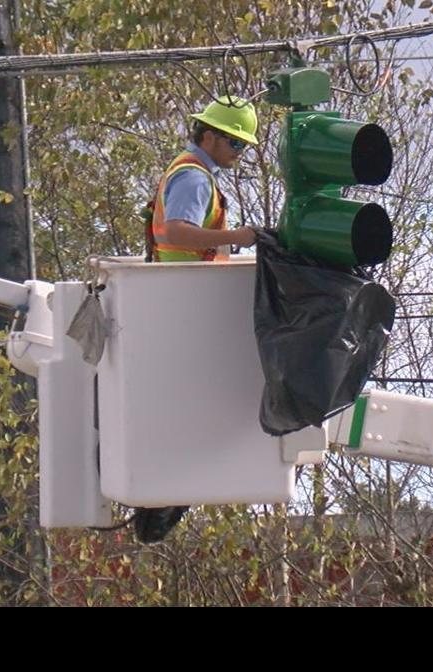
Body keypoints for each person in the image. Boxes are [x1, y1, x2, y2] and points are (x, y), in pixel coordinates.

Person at [134, 96, 260, 543]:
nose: (238, 152)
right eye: (233, 142)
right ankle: (168, 486)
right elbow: (176, 232)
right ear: (208, 135)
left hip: (179, 295)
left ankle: (168, 485)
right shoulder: (193, 175)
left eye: (242, 146)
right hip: (184, 296)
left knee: (187, 399)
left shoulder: (193, 171)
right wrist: (238, 236)